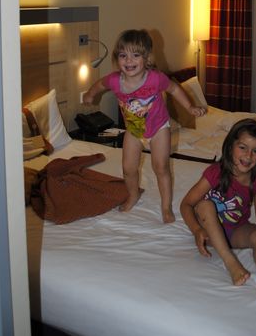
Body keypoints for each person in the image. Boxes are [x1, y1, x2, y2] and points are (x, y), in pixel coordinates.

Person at [83, 28, 206, 221]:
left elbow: (174, 88)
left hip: (158, 129)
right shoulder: (115, 81)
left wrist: (190, 107)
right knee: (128, 168)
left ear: (146, 58)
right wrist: (90, 94)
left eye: (135, 55)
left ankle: (166, 207)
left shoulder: (155, 78)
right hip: (133, 130)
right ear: (117, 58)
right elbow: (100, 84)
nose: (128, 61)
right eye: (123, 55)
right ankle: (133, 195)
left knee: (161, 167)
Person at [180, 118, 256, 293]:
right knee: (205, 206)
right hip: (208, 232)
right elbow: (186, 204)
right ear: (231, 145)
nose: (248, 156)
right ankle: (231, 263)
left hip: (235, 231)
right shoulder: (216, 172)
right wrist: (196, 230)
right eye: (243, 147)